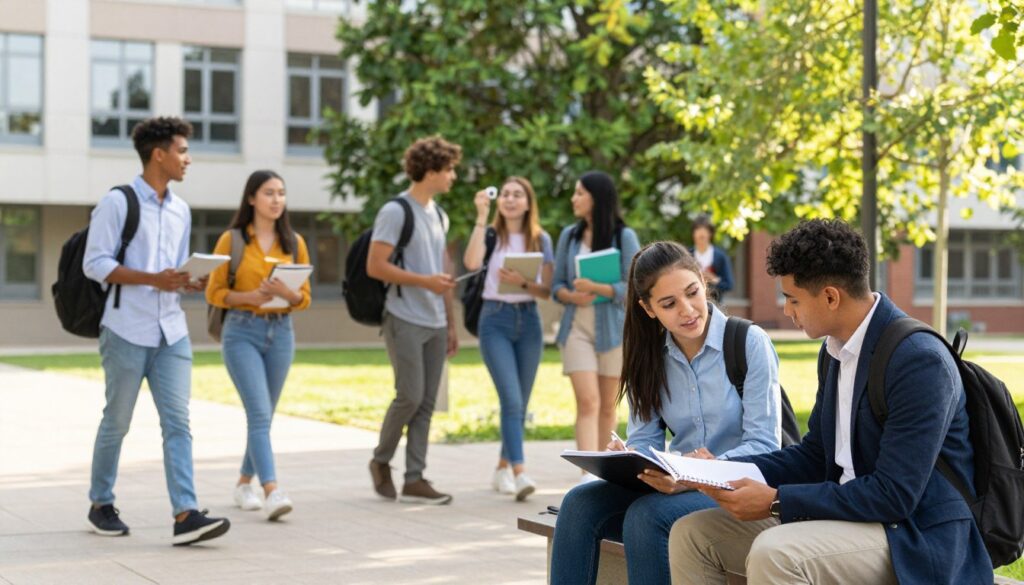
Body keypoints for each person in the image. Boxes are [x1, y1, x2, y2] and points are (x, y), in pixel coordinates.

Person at [668, 219, 992, 585]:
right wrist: (722, 472)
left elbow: (895, 495)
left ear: (831, 297)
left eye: (792, 299)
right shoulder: (835, 352)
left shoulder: (918, 360)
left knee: (777, 553)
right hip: (850, 516)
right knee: (693, 534)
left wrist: (777, 501)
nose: (788, 310)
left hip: (914, 533)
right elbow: (815, 455)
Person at [550, 241, 782, 585]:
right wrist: (628, 459)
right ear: (648, 308)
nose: (688, 310)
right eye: (669, 303)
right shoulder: (650, 356)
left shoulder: (749, 342)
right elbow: (645, 439)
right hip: (678, 482)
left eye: (692, 293)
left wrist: (696, 473)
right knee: (579, 503)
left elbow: (765, 445)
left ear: (704, 284)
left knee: (648, 516)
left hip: (738, 487)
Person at [82, 116, 230, 545]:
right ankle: (100, 503)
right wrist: (153, 279)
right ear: (158, 154)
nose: (188, 159)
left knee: (178, 423)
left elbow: (175, 270)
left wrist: (190, 280)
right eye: (182, 151)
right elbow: (95, 264)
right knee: (118, 422)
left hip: (172, 331)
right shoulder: (118, 203)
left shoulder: (181, 209)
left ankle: (185, 514)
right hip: (126, 329)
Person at [206, 170, 311, 521]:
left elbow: (304, 298)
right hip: (241, 332)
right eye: (269, 193)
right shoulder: (232, 240)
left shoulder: (294, 242)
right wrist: (250, 296)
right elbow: (213, 292)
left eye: (281, 193)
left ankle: (242, 483)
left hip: (281, 332)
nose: (277, 199)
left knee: (264, 416)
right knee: (259, 413)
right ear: (251, 198)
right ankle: (272, 489)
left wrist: (287, 293)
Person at [366, 136, 461, 505]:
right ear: (432, 170)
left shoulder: (439, 214)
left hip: (436, 321)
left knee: (425, 403)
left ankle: (415, 477)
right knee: (409, 396)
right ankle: (380, 460)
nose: (453, 176)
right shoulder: (395, 212)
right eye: (449, 169)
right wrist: (424, 282)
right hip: (403, 316)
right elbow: (375, 266)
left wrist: (451, 325)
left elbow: (443, 273)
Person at [463, 177, 554, 501]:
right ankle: (519, 471)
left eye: (518, 195)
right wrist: (480, 216)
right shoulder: (490, 234)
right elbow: (471, 263)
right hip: (495, 320)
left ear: (528, 203)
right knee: (512, 400)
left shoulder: (540, 239)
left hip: (528, 321)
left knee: (519, 403)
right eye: (505, 194)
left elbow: (549, 289)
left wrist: (523, 282)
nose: (510, 199)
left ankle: (502, 466)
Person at [551, 171, 641, 479]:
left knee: (607, 405)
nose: (574, 199)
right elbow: (556, 286)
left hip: (614, 332)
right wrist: (571, 295)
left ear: (597, 198)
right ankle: (585, 474)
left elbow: (635, 285)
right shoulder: (569, 236)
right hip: (576, 327)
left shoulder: (623, 237)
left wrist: (598, 288)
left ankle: (605, 472)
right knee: (587, 400)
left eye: (579, 193)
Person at [690, 215, 733, 302]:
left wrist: (714, 279)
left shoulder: (720, 256)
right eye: (698, 229)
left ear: (710, 233)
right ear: (693, 233)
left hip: (715, 304)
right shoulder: (687, 255)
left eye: (705, 229)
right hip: (692, 304)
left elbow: (729, 285)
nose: (701, 233)